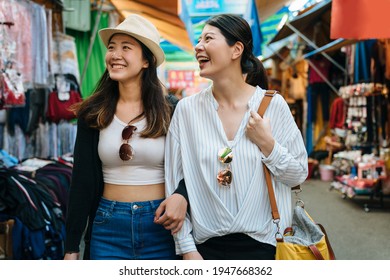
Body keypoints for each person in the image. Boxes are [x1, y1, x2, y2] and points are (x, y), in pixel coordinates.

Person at [164, 14, 308, 260]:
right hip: (203, 249)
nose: (198, 46)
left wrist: (268, 144)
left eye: (208, 38)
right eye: (198, 40)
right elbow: (173, 179)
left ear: (236, 50)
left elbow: (298, 174)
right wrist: (186, 248)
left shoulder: (273, 105)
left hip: (266, 247)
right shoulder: (186, 110)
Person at [63, 14, 187, 260]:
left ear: (145, 61)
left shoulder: (171, 110)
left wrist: (181, 194)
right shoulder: (93, 113)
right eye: (111, 47)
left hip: (161, 224)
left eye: (126, 48)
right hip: (108, 225)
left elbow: (192, 168)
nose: (115, 55)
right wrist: (71, 247)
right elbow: (82, 182)